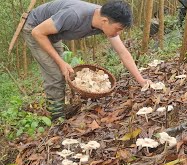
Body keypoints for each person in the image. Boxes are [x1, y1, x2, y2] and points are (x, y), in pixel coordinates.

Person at [22, 0, 150, 121]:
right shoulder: (75, 16)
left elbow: (123, 52)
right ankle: (56, 118)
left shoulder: (105, 19)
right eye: (118, 29)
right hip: (36, 28)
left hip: (52, 32)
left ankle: (59, 108)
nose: (119, 33)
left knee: (61, 72)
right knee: (55, 74)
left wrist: (141, 80)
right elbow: (37, 32)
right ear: (105, 21)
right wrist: (61, 62)